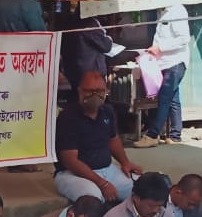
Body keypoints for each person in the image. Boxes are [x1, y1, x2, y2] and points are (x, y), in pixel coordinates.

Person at [52, 71, 142, 202]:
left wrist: (125, 163)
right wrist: (102, 183)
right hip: (72, 174)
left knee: (143, 188)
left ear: (105, 91)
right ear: (80, 91)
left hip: (107, 170)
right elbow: (70, 160)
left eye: (99, 90)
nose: (95, 95)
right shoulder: (68, 117)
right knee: (92, 197)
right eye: (90, 91)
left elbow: (113, 139)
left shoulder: (107, 111)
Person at [134, 3, 190, 147]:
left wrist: (161, 48)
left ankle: (152, 135)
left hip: (176, 62)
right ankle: (175, 136)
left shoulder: (177, 9)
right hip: (164, 62)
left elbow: (184, 39)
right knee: (173, 98)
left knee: (164, 97)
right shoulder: (161, 11)